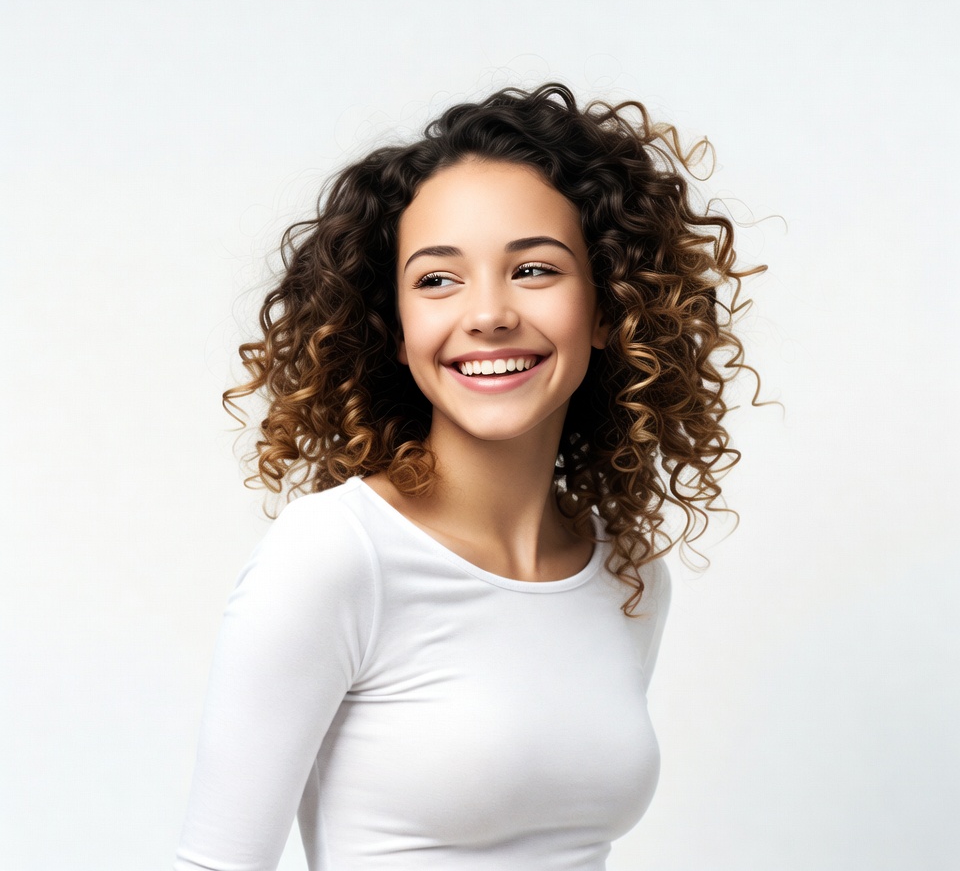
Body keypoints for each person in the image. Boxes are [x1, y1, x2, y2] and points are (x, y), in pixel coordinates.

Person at [173, 83, 763, 870]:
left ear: (607, 305)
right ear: (393, 325)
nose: (487, 313)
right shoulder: (337, 556)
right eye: (437, 279)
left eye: (534, 270)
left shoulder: (627, 573)